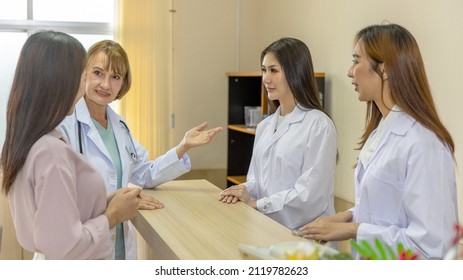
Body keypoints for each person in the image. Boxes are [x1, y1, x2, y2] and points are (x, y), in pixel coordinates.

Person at [294, 23, 458, 259]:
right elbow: (386, 207)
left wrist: (353, 229)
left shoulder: (424, 143)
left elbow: (432, 245)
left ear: (385, 69)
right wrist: (349, 215)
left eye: (356, 60)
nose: (350, 71)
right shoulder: (382, 130)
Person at [58, 40, 222, 260]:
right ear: (84, 74)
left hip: (119, 245)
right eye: (98, 73)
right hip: (83, 245)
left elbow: (145, 173)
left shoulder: (119, 126)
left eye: (115, 77)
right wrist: (118, 203)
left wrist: (183, 147)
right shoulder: (64, 125)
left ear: (123, 83)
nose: (106, 84)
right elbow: (61, 196)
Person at [0, 30, 141, 260]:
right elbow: (67, 246)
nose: (88, 82)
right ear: (61, 81)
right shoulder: (50, 152)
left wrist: (109, 200)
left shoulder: (28, 140)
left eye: (115, 76)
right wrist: (113, 215)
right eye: (85, 74)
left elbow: (57, 211)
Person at [218, 37, 337, 230]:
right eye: (264, 70)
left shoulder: (319, 125)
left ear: (295, 72)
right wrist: (242, 191)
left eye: (274, 70)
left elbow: (310, 195)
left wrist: (256, 205)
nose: (266, 78)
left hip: (304, 237)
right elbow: (257, 180)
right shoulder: (265, 126)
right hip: (265, 228)